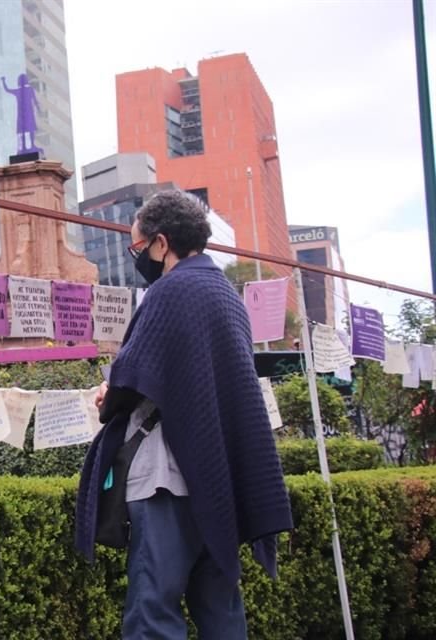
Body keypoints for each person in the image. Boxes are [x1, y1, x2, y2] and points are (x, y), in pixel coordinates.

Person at [75, 190, 293, 639]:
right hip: (218, 481)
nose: (138, 257)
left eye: (138, 248)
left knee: (153, 611)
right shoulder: (226, 296)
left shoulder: (169, 292)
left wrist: (107, 396)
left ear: (161, 243)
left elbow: (132, 376)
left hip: (166, 479)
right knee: (220, 609)